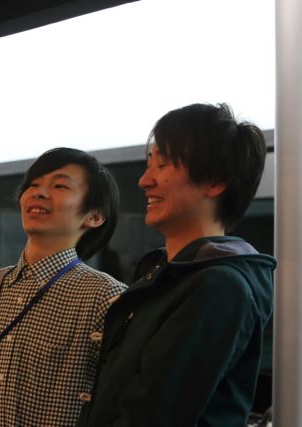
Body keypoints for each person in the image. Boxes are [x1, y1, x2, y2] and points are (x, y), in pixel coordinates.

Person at [78, 103, 276, 426]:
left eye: (163, 164)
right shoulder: (168, 272)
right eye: (149, 164)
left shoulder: (218, 286)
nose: (144, 180)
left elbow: (151, 415)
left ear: (216, 181)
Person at [0, 147, 127, 426]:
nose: (39, 193)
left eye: (60, 186)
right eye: (33, 184)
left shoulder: (107, 297)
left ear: (94, 216)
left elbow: (120, 403)